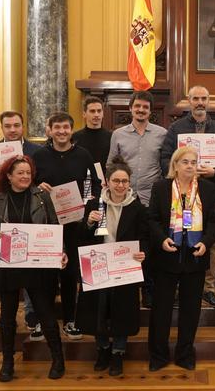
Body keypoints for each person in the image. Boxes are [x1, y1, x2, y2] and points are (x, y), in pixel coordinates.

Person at [0, 155, 67, 381]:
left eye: (28, 173)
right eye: (20, 173)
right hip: (9, 264)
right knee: (7, 317)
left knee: (45, 313)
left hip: (37, 265)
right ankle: (8, 363)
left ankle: (58, 360)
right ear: (8, 176)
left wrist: (61, 251)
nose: (25, 177)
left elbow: (53, 226)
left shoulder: (42, 197)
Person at [160, 85, 215, 310]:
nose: (200, 102)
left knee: (210, 242)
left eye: (204, 98)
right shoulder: (176, 129)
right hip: (179, 193)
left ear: (208, 100)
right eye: (196, 99)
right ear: (189, 102)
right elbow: (165, 158)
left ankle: (209, 289)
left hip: (210, 193)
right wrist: (179, 174)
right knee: (176, 235)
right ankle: (176, 287)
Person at [146, 147, 215, 371]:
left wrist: (206, 243)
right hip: (167, 255)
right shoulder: (161, 188)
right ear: (175, 165)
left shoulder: (207, 189)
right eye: (185, 162)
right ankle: (158, 355)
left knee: (190, 310)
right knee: (161, 309)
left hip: (195, 257)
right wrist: (161, 240)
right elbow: (152, 219)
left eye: (193, 162)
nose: (190, 166)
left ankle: (185, 354)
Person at [77, 156, 150, 376]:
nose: (120, 185)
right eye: (116, 181)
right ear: (107, 182)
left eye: (124, 181)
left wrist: (142, 252)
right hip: (99, 266)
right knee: (99, 310)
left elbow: (145, 236)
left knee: (121, 311)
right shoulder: (93, 204)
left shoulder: (137, 207)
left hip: (124, 268)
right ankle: (103, 349)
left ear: (129, 183)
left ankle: (118, 352)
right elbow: (81, 236)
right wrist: (89, 222)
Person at [32, 112, 101, 340]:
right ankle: (45, 320)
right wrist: (37, 187)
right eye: (57, 127)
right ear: (49, 130)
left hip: (74, 224)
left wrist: (87, 205)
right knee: (45, 275)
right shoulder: (39, 156)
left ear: (72, 130)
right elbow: (27, 185)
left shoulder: (83, 155)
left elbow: (95, 186)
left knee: (71, 274)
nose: (62, 132)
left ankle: (71, 320)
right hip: (46, 225)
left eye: (66, 127)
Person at [108, 90, 167, 308]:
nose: (141, 110)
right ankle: (127, 287)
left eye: (145, 107)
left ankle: (149, 290)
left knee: (149, 245)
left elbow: (165, 165)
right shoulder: (118, 134)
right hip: (126, 198)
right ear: (131, 108)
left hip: (152, 198)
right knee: (128, 242)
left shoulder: (162, 133)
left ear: (151, 111)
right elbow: (111, 165)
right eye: (137, 106)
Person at [0, 110, 43, 340]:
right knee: (10, 278)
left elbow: (41, 180)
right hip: (6, 217)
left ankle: (32, 317)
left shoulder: (37, 151)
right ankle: (7, 320)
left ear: (23, 126)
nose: (13, 129)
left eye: (16, 125)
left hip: (32, 217)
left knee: (33, 274)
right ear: (2, 128)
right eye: (8, 126)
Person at [73, 96, 112, 172]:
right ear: (84, 114)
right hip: (82, 179)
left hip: (105, 180)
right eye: (92, 111)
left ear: (103, 114)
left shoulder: (112, 137)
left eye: (99, 111)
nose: (96, 114)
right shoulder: (75, 137)